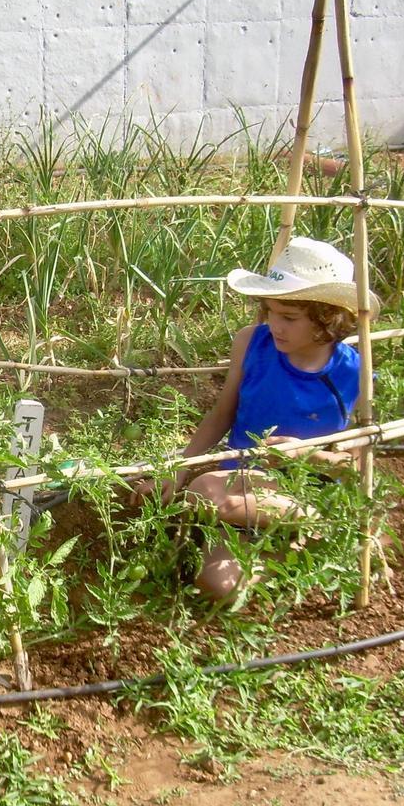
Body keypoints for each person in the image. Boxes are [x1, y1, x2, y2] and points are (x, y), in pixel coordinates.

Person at [130, 237, 380, 601]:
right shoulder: (252, 342)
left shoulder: (353, 372)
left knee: (206, 493)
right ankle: (297, 553)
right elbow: (222, 415)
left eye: (289, 318)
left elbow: (356, 464)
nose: (276, 326)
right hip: (241, 484)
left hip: (300, 490)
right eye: (271, 312)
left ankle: (317, 522)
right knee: (219, 585)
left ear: (327, 320)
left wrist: (306, 456)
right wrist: (179, 468)